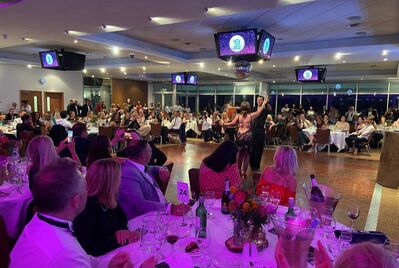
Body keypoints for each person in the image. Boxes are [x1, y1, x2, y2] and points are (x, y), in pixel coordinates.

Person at [9, 158, 150, 268]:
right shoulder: (66, 252)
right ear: (76, 201)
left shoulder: (37, 223)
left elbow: (82, 257)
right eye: (85, 187)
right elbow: (71, 256)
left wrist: (105, 264)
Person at [73, 159, 140, 256]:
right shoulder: (87, 207)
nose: (120, 181)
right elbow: (89, 248)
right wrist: (122, 240)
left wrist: (121, 231)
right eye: (119, 177)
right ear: (109, 182)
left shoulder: (109, 198)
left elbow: (122, 218)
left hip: (112, 252)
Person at [119, 140, 189, 219]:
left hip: (160, 212)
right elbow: (139, 204)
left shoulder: (140, 166)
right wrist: (170, 208)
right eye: (150, 151)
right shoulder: (128, 174)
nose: (152, 153)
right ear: (143, 156)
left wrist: (162, 169)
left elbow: (154, 168)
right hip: (145, 219)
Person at [224, 98, 267, 178]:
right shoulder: (251, 116)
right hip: (248, 136)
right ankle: (244, 172)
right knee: (247, 155)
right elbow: (259, 111)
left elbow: (231, 123)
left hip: (240, 135)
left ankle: (239, 171)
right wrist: (264, 102)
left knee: (240, 154)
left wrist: (224, 123)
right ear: (249, 108)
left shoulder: (238, 116)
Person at [250, 95, 271, 171]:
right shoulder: (253, 109)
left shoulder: (265, 109)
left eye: (260, 100)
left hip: (261, 130)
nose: (258, 101)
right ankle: (252, 164)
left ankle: (257, 165)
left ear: (262, 101)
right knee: (252, 148)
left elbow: (270, 110)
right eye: (257, 100)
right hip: (253, 129)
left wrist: (266, 102)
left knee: (259, 148)